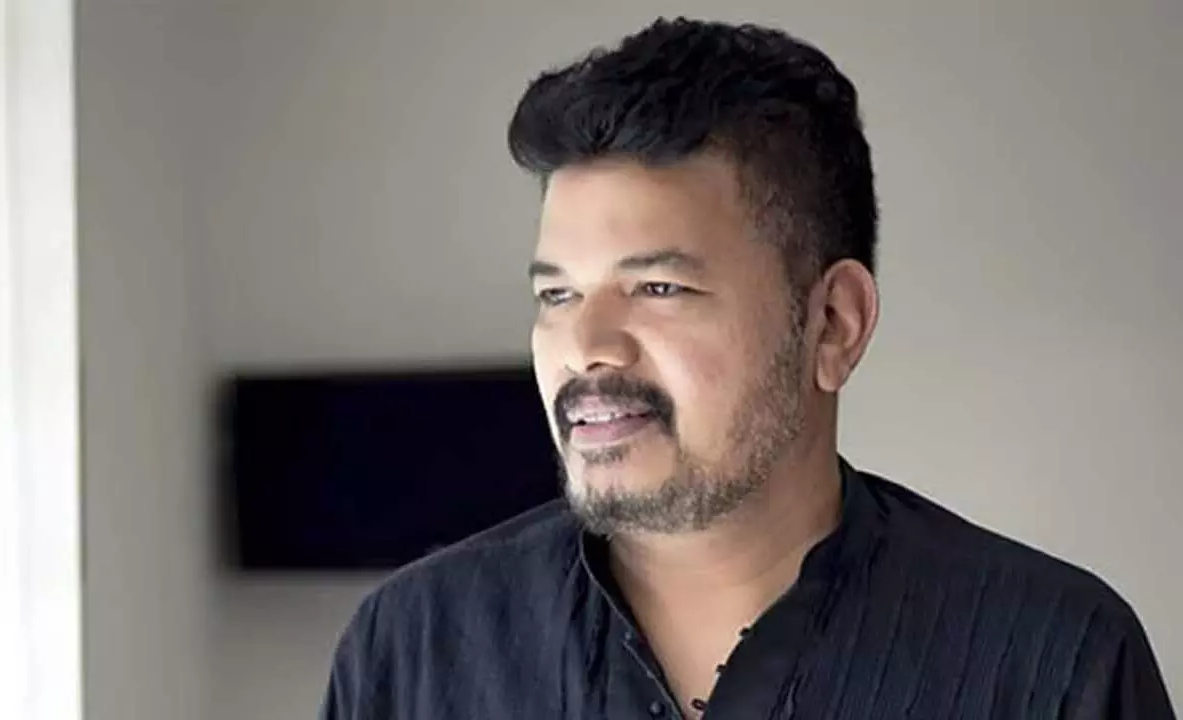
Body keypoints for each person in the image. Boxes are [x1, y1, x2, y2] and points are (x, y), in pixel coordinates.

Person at [320, 17, 1175, 719]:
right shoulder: (414, 648)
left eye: (658, 288)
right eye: (558, 295)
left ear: (833, 324)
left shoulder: (1053, 662)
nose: (587, 346)